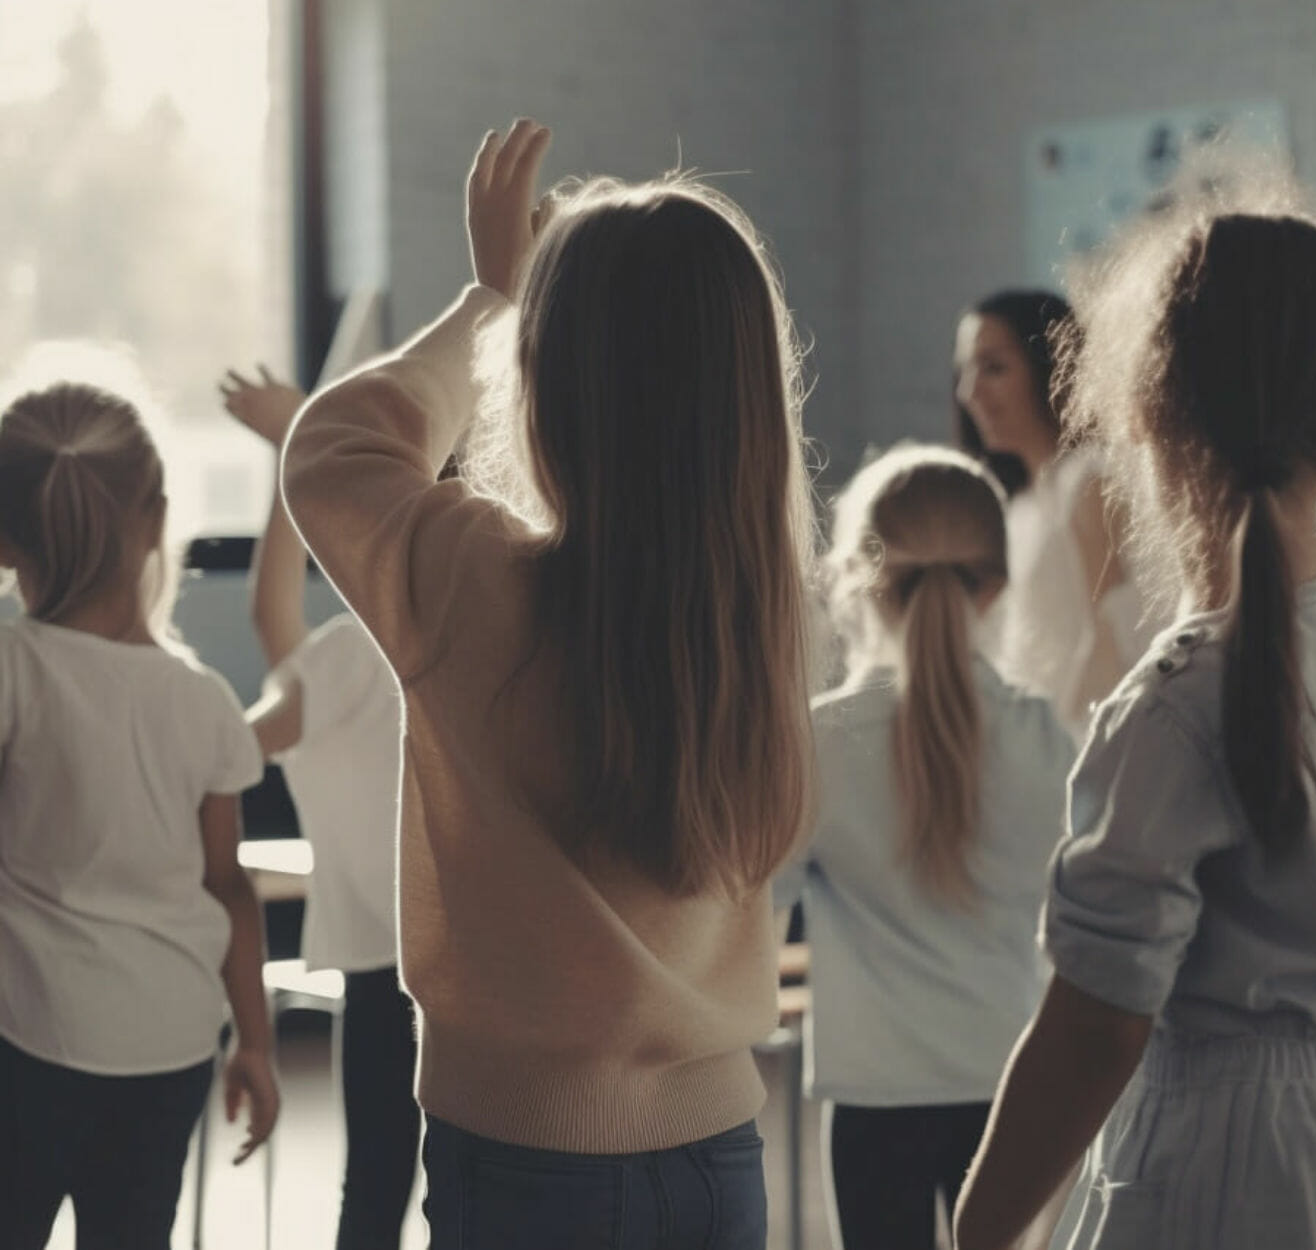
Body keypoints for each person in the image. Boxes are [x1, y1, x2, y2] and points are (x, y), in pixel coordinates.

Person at [280, 120, 816, 1249]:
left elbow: (331, 448)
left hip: (528, 1161)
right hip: (723, 1158)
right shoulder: (760, 614)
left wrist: (490, 296)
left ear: (542, 384)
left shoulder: (475, 588)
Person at [952, 210, 1316, 1250]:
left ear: (1142, 415)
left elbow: (1094, 1028)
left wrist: (978, 1226)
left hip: (1222, 1159)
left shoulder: (1172, 701)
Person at [0, 378, 278, 1250]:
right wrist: (257, 1045)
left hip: (27, 1044)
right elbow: (228, 886)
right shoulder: (206, 702)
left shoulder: (12, 669)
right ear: (157, 520)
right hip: (168, 1048)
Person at [775, 444, 1074, 1249]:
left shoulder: (818, 746)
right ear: (997, 583)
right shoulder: (1051, 741)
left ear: (860, 580)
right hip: (1013, 1090)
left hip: (874, 1100)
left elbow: (759, 910)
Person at [220, 366, 418, 1250]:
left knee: (372, 1190)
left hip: (388, 970)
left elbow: (238, 734)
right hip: (480, 963)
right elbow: (276, 625)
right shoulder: (440, 647)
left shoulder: (353, 656)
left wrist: (291, 454)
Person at [952, 290, 1153, 737]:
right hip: (1030, 738)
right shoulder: (1017, 507)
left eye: (994, 368)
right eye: (964, 370)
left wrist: (1057, 751)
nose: (969, 392)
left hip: (1079, 738)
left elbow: (1110, 634)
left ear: (1051, 365)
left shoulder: (1088, 480)